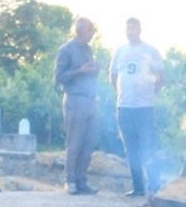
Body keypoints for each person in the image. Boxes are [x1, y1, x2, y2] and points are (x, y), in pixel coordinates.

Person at [110, 17, 163, 197]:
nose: (130, 32)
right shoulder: (119, 51)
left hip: (144, 108)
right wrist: (122, 93)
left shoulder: (150, 51)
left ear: (140, 30)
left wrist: (150, 95)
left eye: (133, 28)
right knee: (131, 149)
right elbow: (113, 76)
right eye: (128, 29)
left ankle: (155, 185)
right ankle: (138, 187)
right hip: (124, 107)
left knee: (148, 146)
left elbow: (161, 78)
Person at [55, 17, 100, 195]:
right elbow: (59, 77)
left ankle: (82, 180)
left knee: (89, 142)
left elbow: (90, 74)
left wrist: (95, 69)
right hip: (74, 100)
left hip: (90, 100)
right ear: (80, 31)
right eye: (90, 30)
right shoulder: (66, 50)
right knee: (74, 142)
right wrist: (80, 71)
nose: (93, 33)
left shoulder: (88, 49)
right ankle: (70, 180)